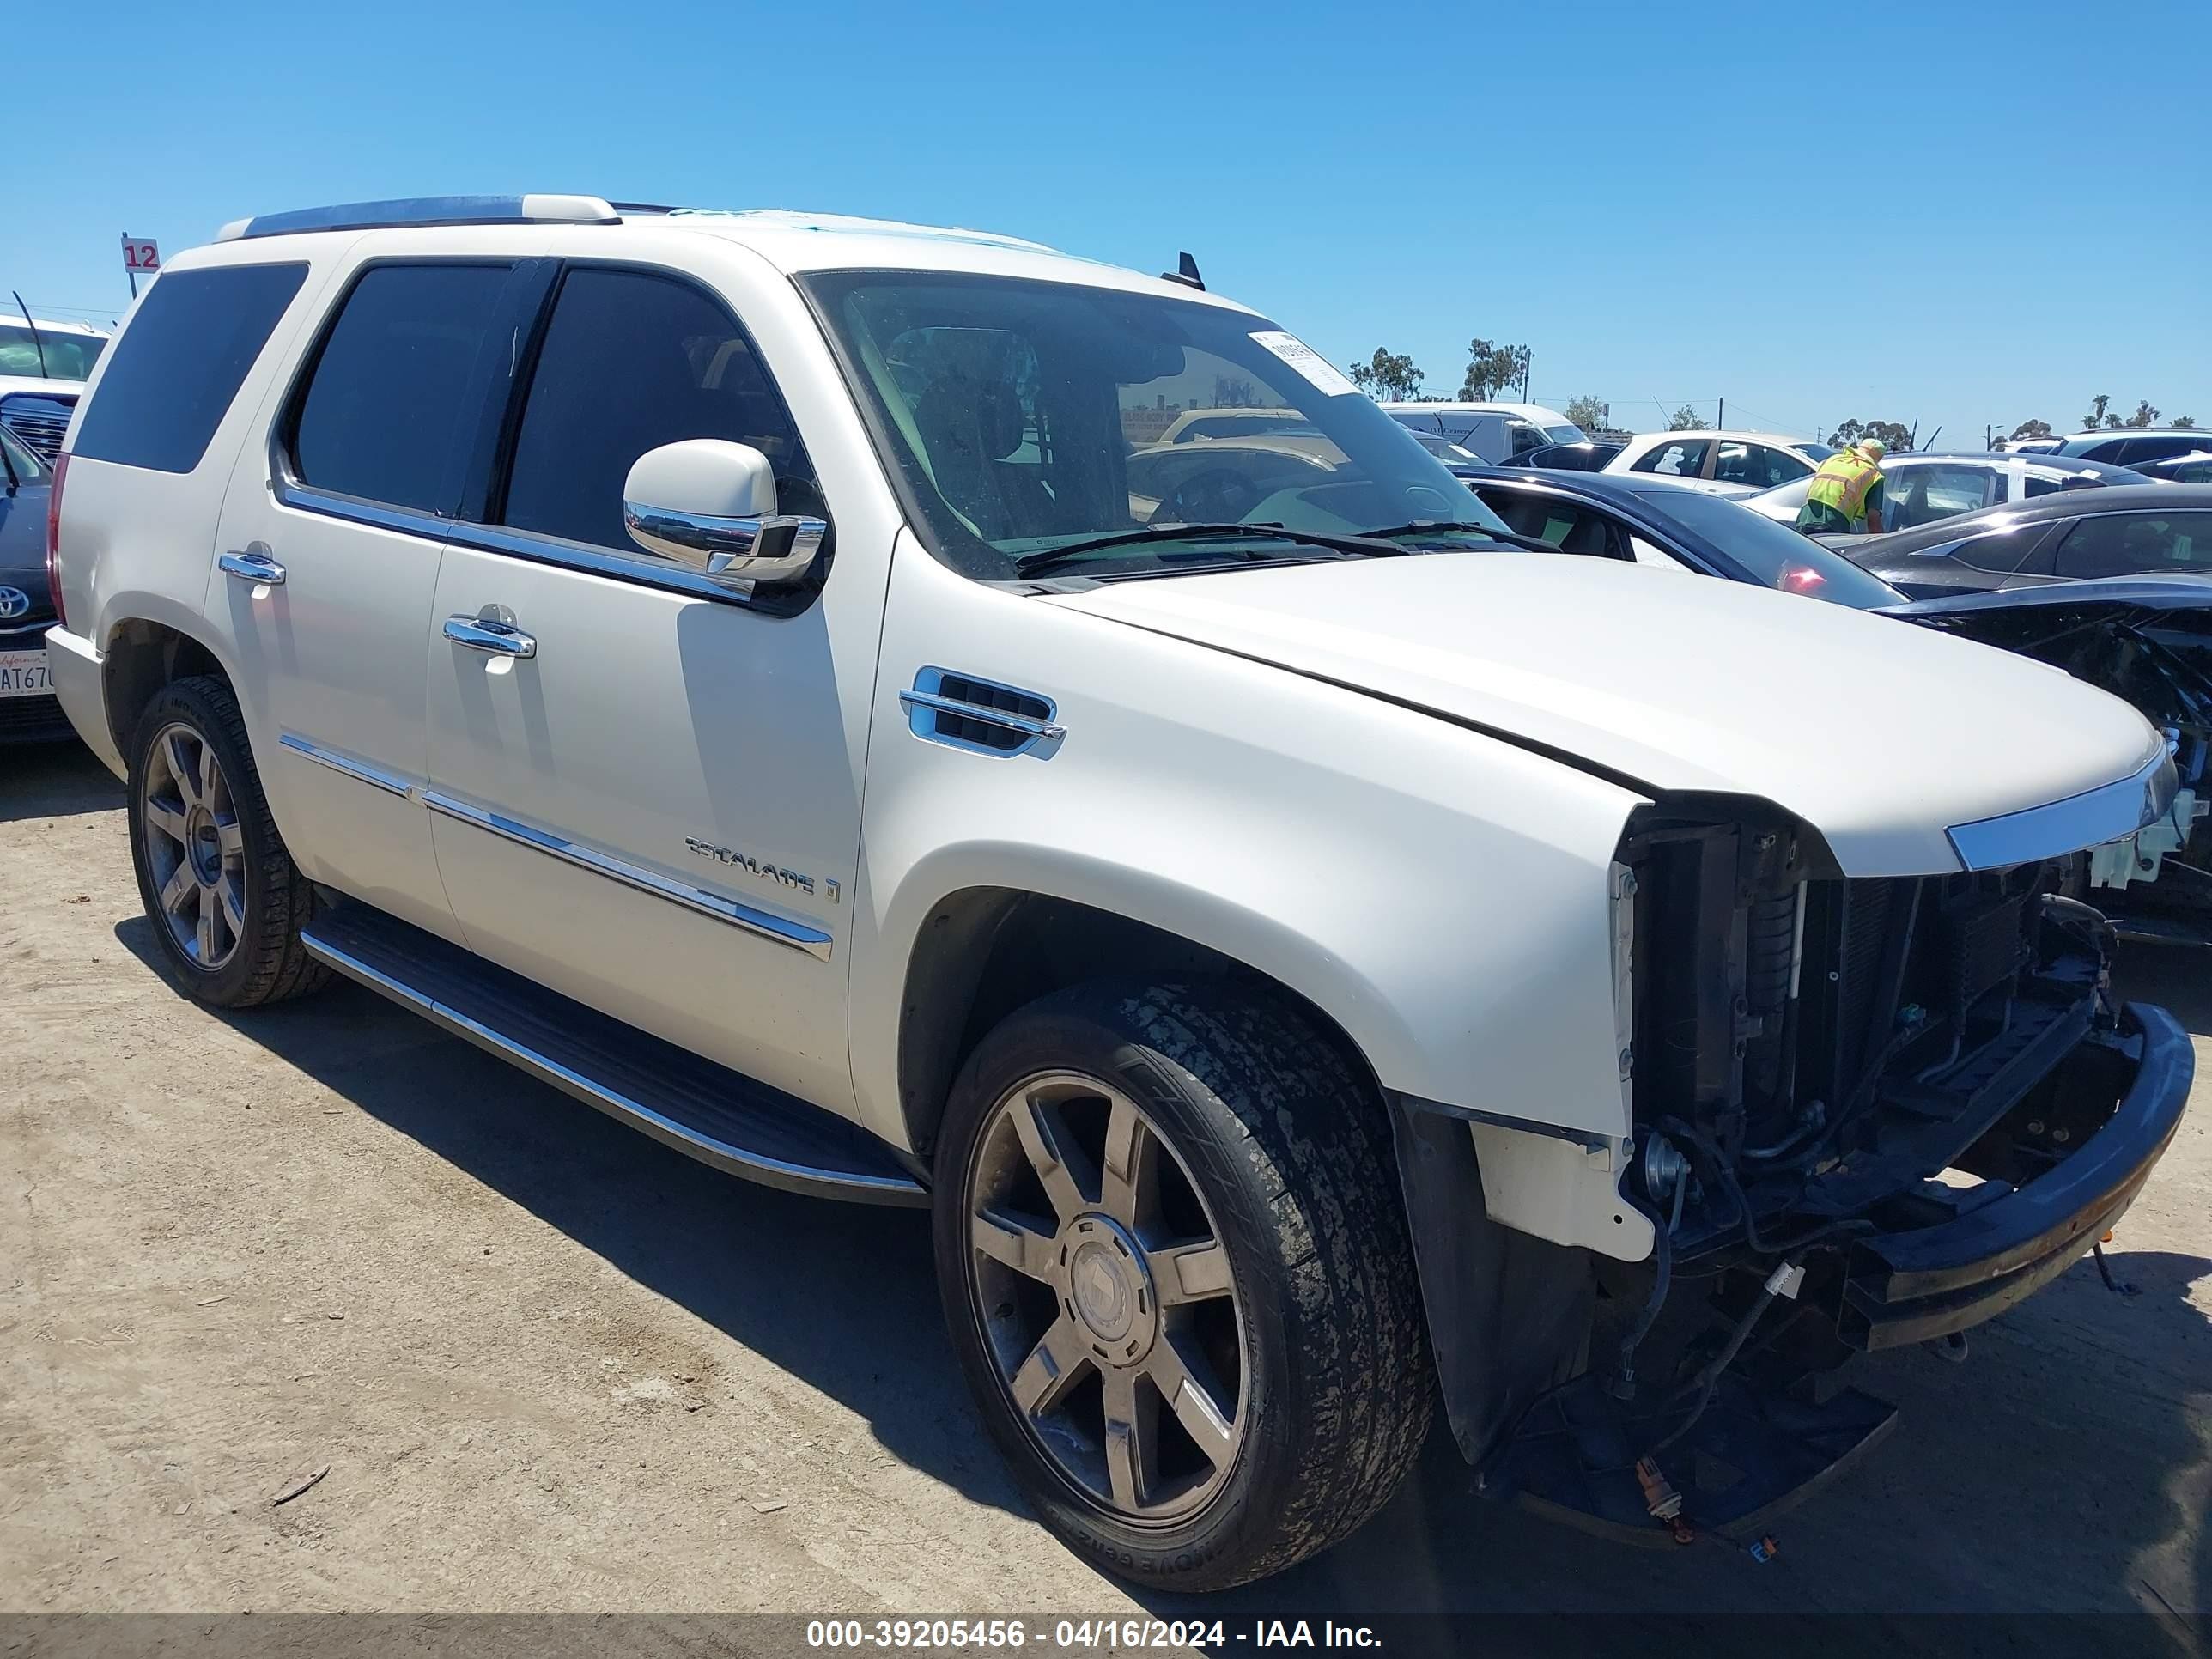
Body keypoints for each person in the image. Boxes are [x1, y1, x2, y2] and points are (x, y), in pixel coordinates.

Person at [1797, 439, 1887, 534]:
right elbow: (1874, 522)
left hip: (1804, 517)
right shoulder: (1874, 475)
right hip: (1833, 522)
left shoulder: (1832, 460)